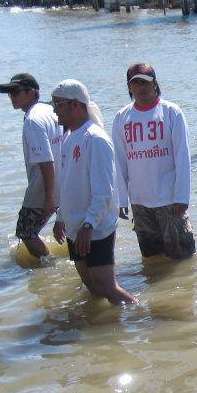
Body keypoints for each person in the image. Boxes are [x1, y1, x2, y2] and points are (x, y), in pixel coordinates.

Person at [50, 80, 136, 306]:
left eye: (58, 104)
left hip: (95, 228)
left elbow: (104, 190)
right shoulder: (69, 136)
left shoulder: (95, 139)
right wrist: (60, 217)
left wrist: (88, 226)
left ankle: (140, 316)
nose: (54, 110)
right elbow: (68, 183)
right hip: (74, 227)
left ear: (76, 105)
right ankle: (102, 330)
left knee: (107, 287)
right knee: (91, 285)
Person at [111, 63, 195, 260]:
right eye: (136, 83)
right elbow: (120, 160)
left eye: (145, 82)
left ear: (155, 84)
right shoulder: (121, 118)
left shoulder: (171, 112)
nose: (141, 87)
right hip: (140, 203)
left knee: (181, 257)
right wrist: (122, 200)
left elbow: (183, 157)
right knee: (152, 258)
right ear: (129, 87)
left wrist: (182, 197)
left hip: (169, 200)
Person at [0, 73, 63, 259]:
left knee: (25, 232)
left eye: (15, 92)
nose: (11, 97)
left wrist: (49, 197)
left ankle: (48, 267)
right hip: (64, 180)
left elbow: (46, 160)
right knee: (70, 227)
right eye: (9, 93)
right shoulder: (52, 110)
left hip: (43, 186)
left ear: (32, 92)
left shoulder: (32, 120)